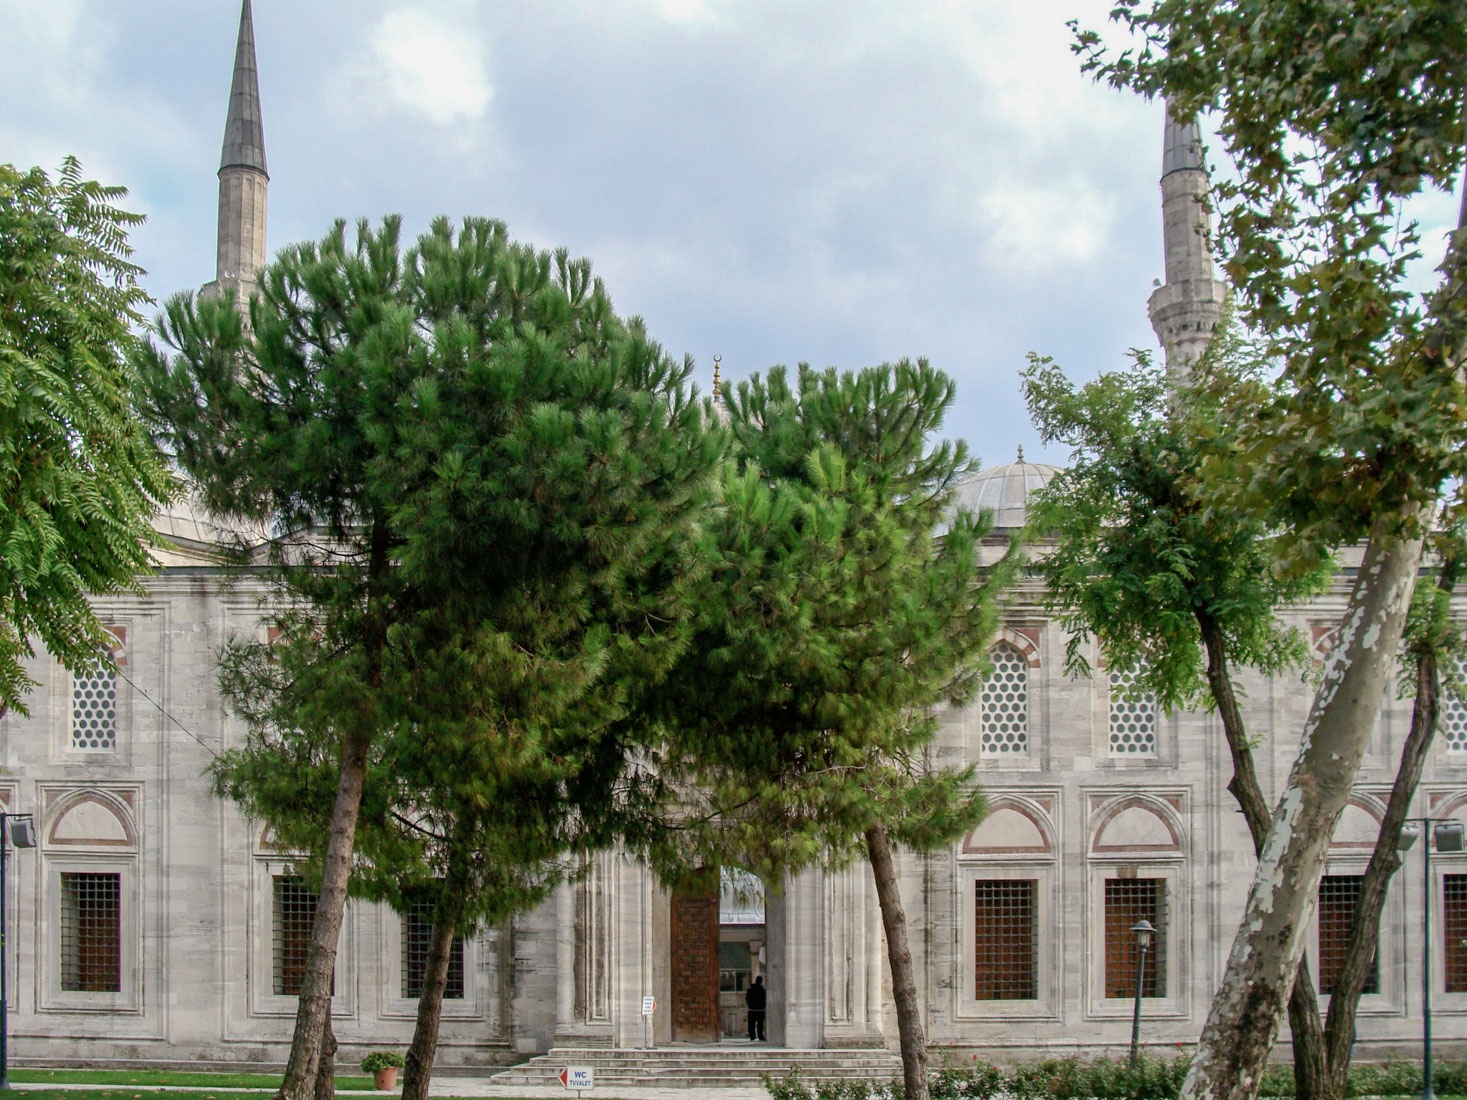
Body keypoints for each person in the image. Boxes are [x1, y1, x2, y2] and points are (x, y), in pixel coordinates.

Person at [745, 974, 767, 1041]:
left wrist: (749, 1004)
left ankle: (752, 1036)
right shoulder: (763, 990)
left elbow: (747, 998)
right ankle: (760, 1036)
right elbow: (765, 999)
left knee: (751, 1024)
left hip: (752, 1009)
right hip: (760, 1010)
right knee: (760, 1024)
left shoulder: (750, 989)